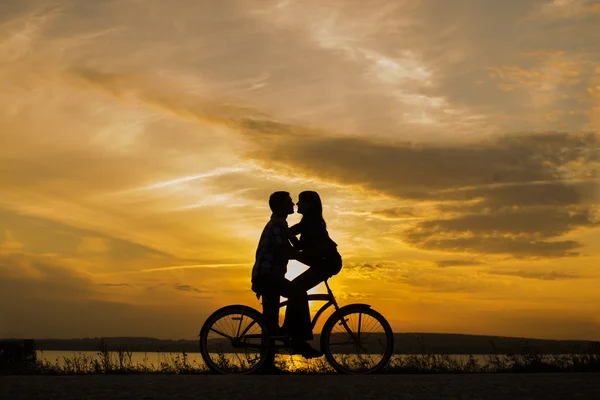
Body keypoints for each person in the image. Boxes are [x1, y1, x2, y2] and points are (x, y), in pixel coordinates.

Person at [250, 191, 323, 370]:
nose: (293, 204)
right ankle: (297, 339)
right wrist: (312, 257)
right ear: (282, 205)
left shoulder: (282, 225)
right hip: (268, 276)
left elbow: (295, 246)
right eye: (290, 201)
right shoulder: (276, 225)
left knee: (270, 319)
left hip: (270, 276)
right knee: (298, 292)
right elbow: (286, 251)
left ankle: (266, 364)